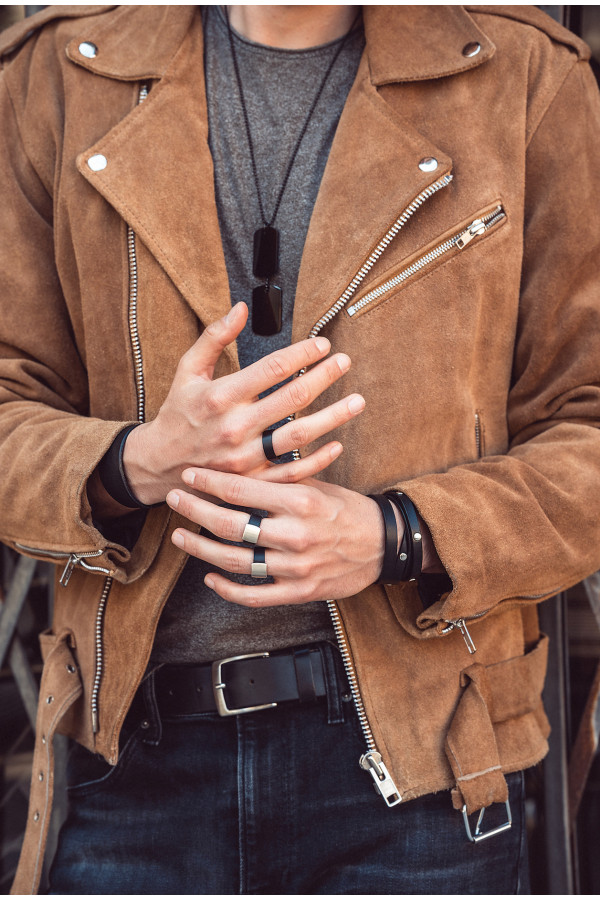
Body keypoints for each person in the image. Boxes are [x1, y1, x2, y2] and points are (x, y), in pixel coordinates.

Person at [2, 4, 600, 895]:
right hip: (131, 766)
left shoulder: (522, 77)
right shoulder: (60, 73)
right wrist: (141, 459)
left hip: (428, 772)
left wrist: (399, 533)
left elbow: (585, 424)